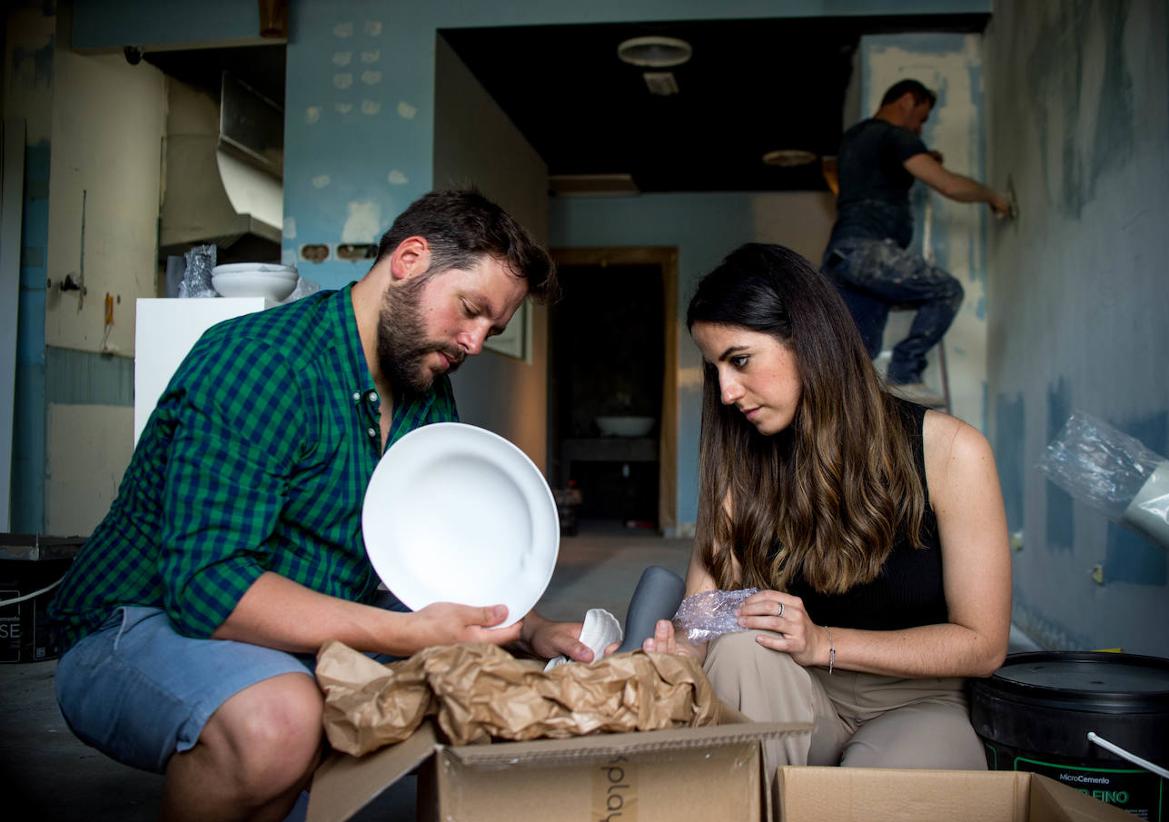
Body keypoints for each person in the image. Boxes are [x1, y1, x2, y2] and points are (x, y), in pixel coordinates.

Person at [48, 189, 596, 822]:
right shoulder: (262, 362)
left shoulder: (427, 396)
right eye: (470, 311)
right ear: (410, 259)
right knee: (280, 721)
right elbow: (206, 589)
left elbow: (426, 573)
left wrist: (528, 630)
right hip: (137, 621)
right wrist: (406, 633)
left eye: (491, 329)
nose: (475, 343)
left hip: (293, 629)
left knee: (498, 699)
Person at [644, 243, 1011, 779]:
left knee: (865, 802)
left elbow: (983, 645)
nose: (725, 393)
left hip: (916, 702)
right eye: (715, 369)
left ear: (808, 341)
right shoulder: (745, 461)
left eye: (740, 360)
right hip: (795, 690)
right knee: (739, 648)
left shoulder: (953, 451)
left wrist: (824, 642)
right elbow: (703, 614)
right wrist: (673, 654)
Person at [822, 78, 1011, 405]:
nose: (919, 128)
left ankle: (838, 421)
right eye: (921, 118)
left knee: (855, 355)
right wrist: (994, 197)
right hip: (869, 251)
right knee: (945, 290)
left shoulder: (855, 138)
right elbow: (949, 185)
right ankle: (905, 373)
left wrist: (918, 155)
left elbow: (878, 175)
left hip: (842, 257)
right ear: (908, 100)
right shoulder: (895, 136)